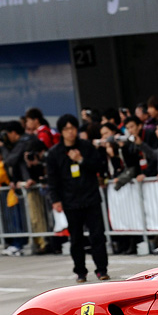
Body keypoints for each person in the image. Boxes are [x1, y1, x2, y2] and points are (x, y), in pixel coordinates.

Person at [46, 114, 108, 282]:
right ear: (61, 132)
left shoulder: (86, 147)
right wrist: (56, 200)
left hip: (91, 198)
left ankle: (102, 269)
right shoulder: (54, 153)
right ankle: (80, 271)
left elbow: (98, 166)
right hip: (70, 201)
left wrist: (80, 160)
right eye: (66, 129)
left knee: (97, 236)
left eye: (72, 128)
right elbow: (52, 179)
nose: (70, 132)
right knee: (76, 239)